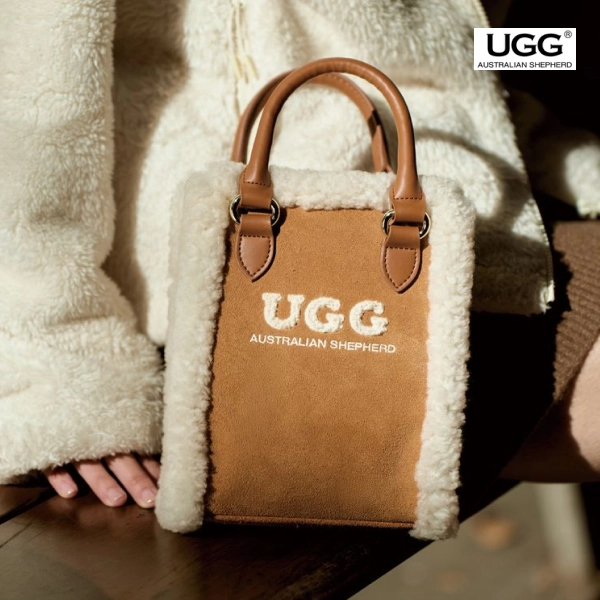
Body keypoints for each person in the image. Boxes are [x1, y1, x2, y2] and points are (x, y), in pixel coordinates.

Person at [1, 0, 598, 514]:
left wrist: (549, 65)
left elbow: (455, 39)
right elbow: (34, 103)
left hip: (473, 186)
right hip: (240, 266)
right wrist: (55, 359)